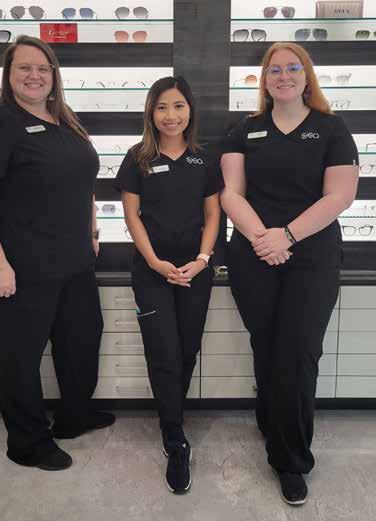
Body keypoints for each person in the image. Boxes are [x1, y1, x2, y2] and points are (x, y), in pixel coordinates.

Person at [0, 35, 114, 471]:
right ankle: (26, 442)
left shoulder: (64, 121)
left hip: (72, 259)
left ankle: (74, 414)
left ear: (54, 76)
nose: (35, 75)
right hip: (20, 264)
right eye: (25, 67)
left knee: (82, 338)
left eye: (43, 68)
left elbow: (83, 183)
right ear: (8, 75)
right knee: (22, 354)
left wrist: (92, 230)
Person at [220, 42, 359, 505]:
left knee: (298, 352)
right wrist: (264, 238)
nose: (283, 76)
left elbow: (340, 195)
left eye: (292, 68)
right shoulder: (245, 130)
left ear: (306, 76)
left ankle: (291, 460)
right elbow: (231, 193)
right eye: (274, 69)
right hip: (254, 252)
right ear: (264, 79)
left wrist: (288, 236)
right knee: (267, 346)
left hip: (312, 255)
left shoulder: (331, 128)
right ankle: (273, 422)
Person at [114, 76, 221, 493]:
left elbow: (212, 216)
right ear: (151, 112)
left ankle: (173, 417)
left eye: (178, 106)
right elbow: (132, 217)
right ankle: (174, 437)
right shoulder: (137, 158)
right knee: (163, 352)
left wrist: (202, 260)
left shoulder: (204, 159)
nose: (170, 115)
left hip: (196, 271)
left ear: (189, 110)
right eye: (161, 107)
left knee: (187, 349)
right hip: (151, 272)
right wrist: (155, 262)